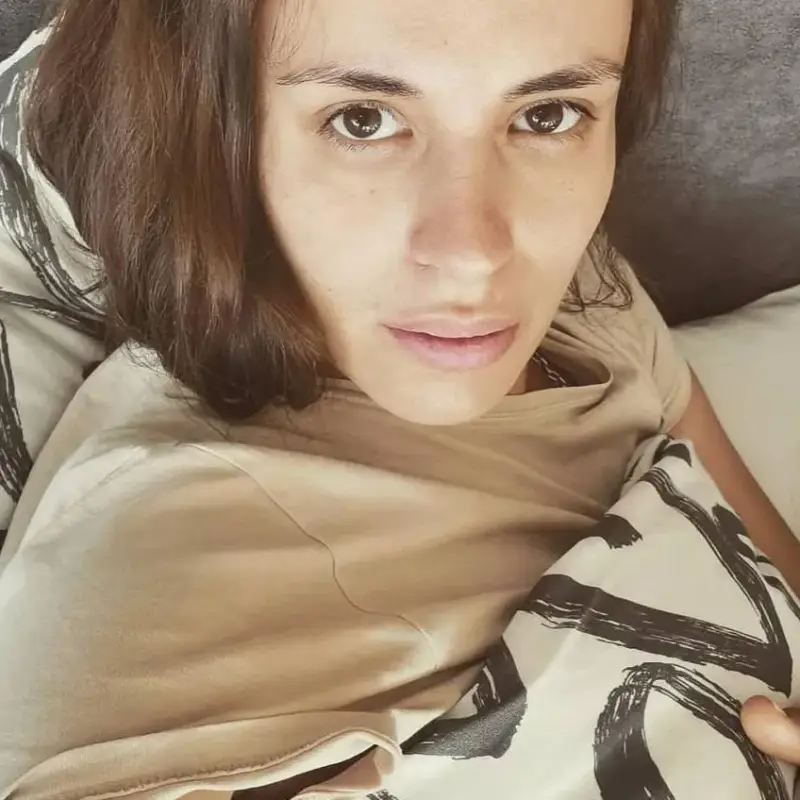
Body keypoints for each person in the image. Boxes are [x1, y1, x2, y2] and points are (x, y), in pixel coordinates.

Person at [0, 0, 799, 797]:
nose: (474, 257)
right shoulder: (165, 573)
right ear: (219, 131)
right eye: (363, 121)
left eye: (547, 115)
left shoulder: (591, 302)